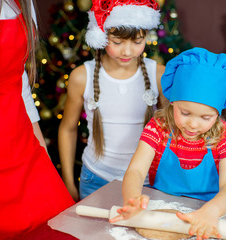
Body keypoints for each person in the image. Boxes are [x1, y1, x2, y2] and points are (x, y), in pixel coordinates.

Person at [0, 0, 74, 239]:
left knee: (58, 225)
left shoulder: (22, 4)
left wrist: (40, 148)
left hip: (22, 146)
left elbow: (18, 76)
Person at [110, 47, 226, 239]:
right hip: (159, 205)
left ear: (218, 113)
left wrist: (212, 211)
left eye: (206, 117)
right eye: (185, 113)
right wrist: (133, 199)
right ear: (173, 102)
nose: (193, 124)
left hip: (209, 211)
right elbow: (136, 171)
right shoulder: (159, 127)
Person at [58, 0, 167, 201]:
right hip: (96, 179)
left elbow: (171, 131)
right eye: (117, 42)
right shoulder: (82, 77)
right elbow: (68, 129)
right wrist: (69, 182)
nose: (127, 51)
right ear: (101, 35)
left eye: (137, 42)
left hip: (145, 181)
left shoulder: (158, 75)